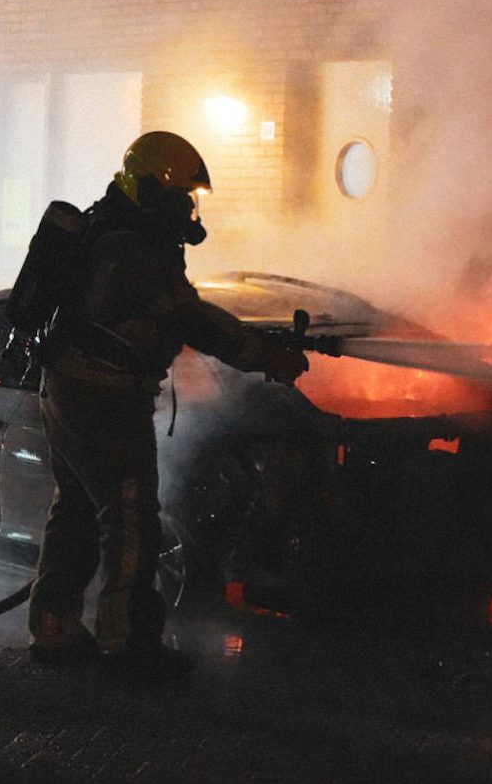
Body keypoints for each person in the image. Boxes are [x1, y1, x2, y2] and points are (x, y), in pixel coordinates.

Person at [27, 130, 308, 679]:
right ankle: (127, 641)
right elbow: (192, 319)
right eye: (181, 195)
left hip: (69, 388)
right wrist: (265, 356)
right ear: (150, 187)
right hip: (104, 396)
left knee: (78, 514)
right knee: (130, 517)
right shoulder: (132, 249)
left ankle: (55, 627)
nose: (188, 208)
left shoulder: (111, 231)